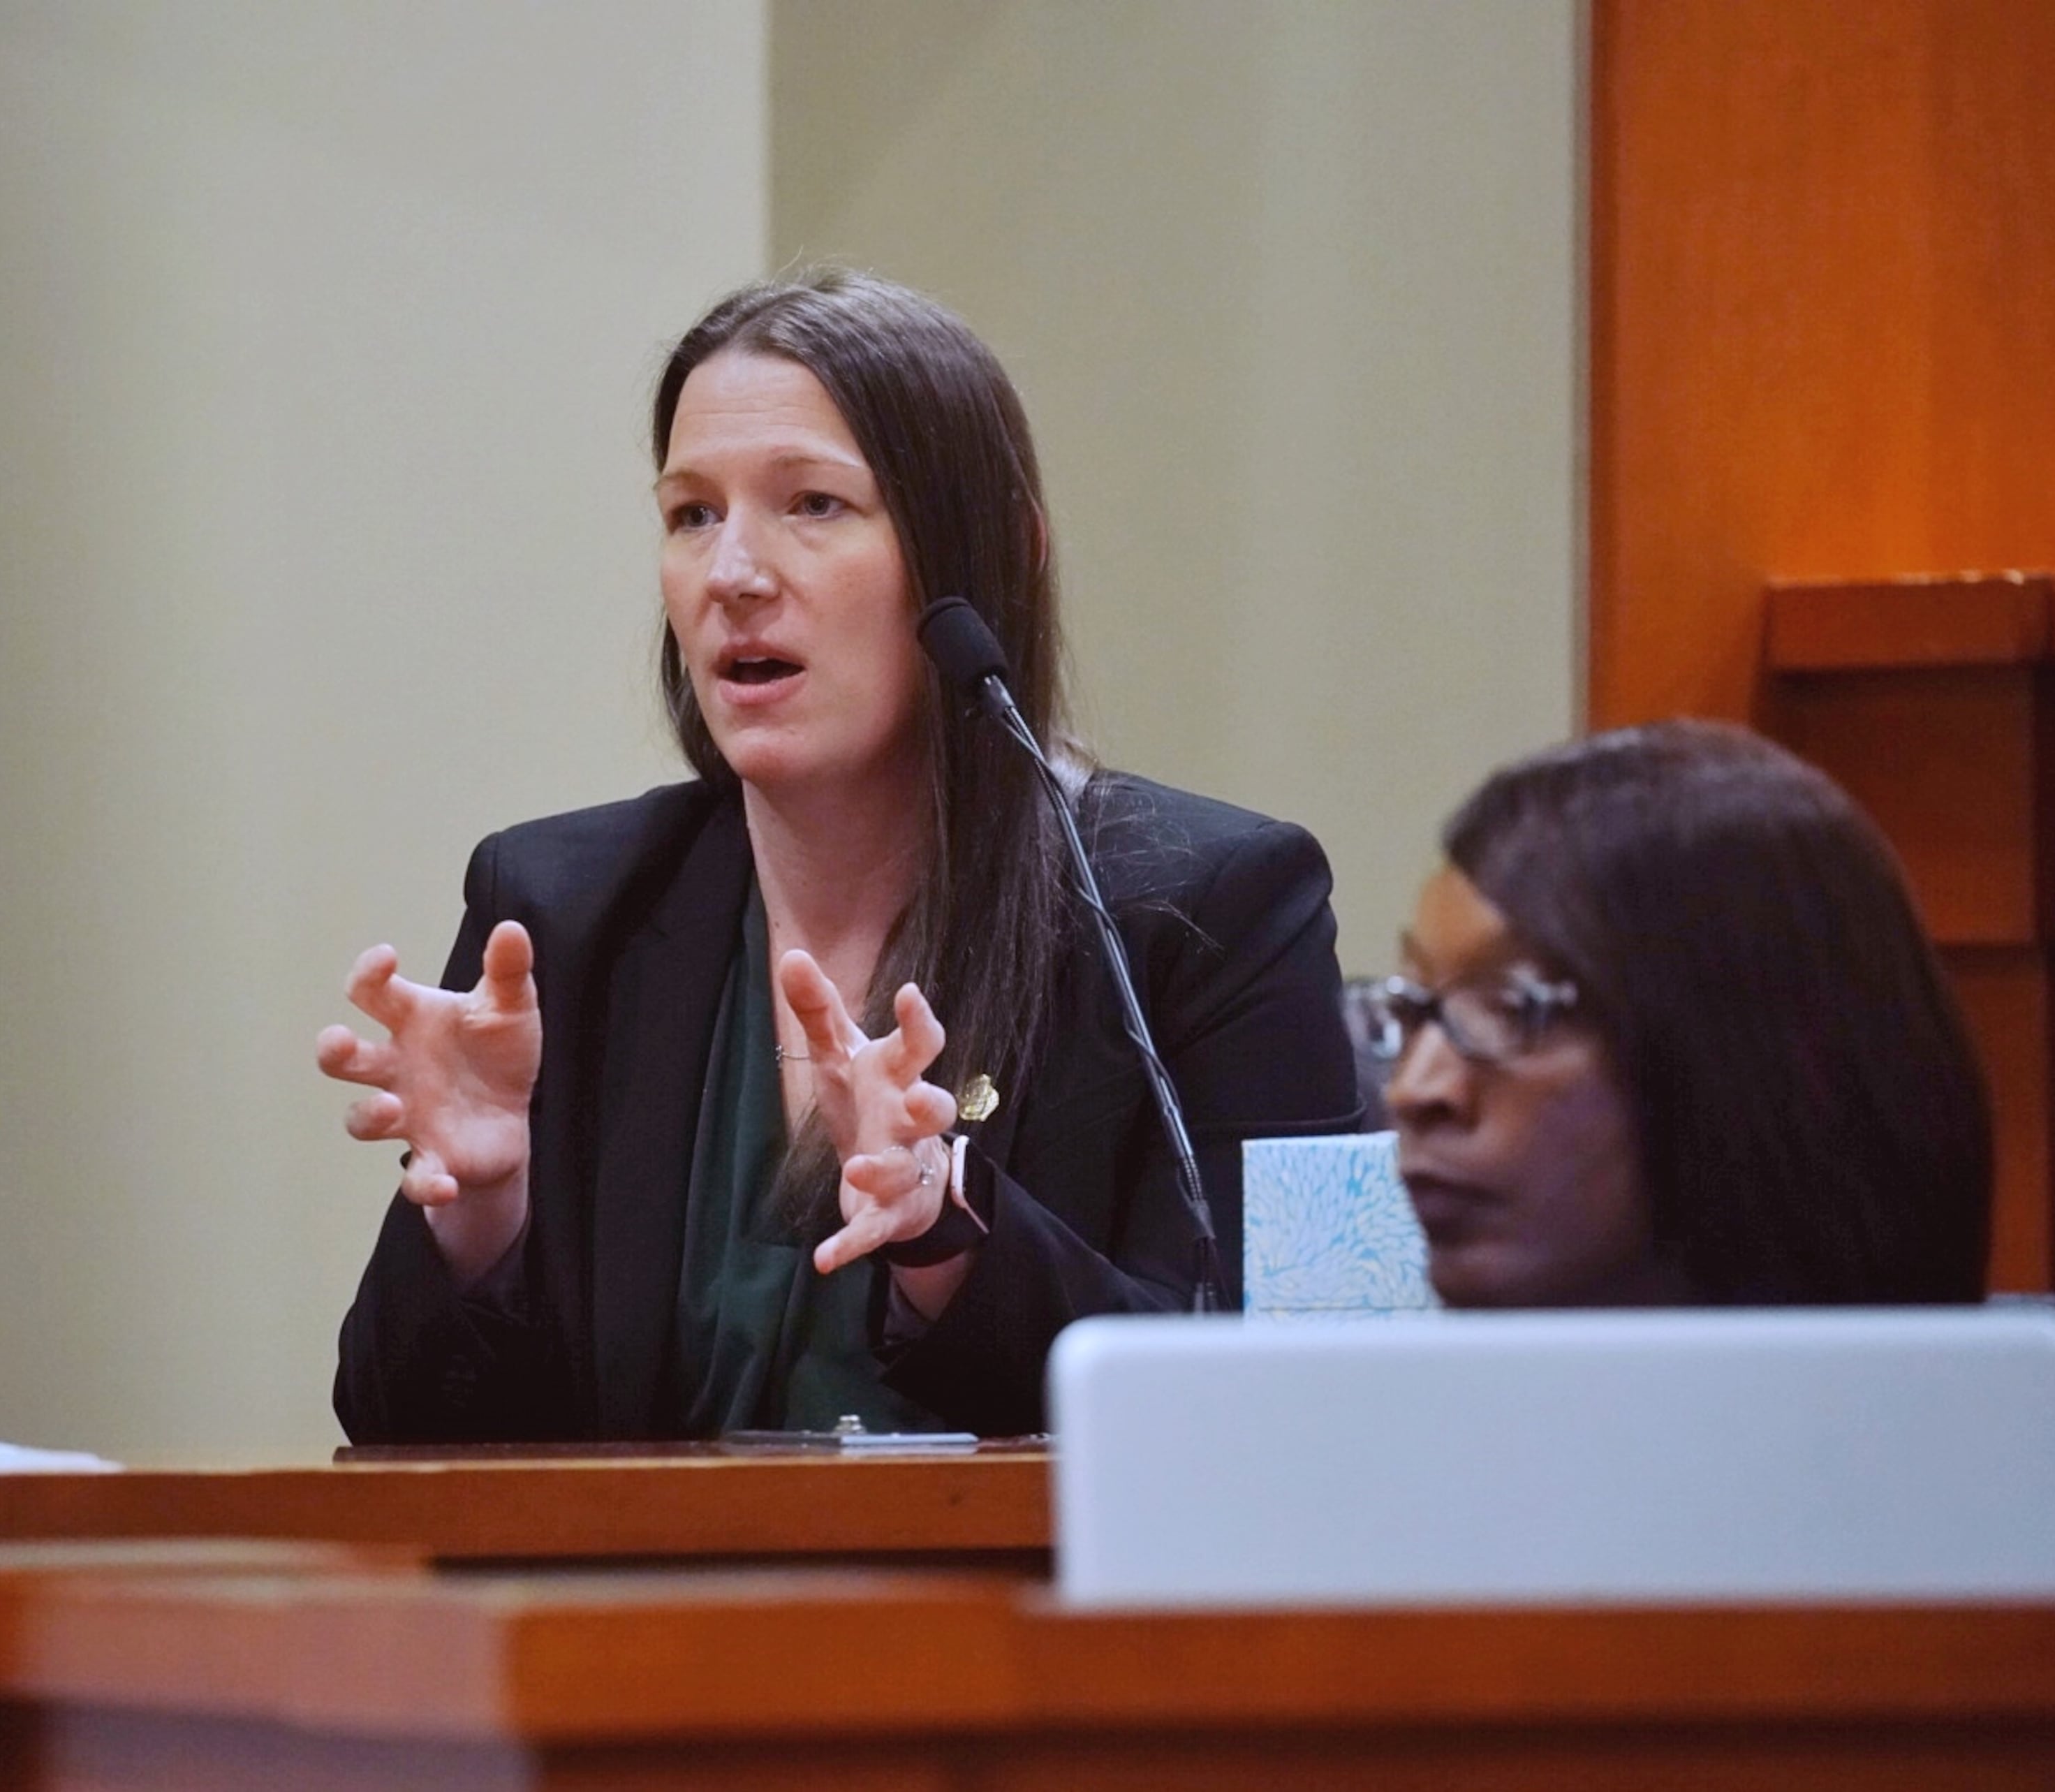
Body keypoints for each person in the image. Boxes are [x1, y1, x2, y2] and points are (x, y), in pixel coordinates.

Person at [324, 271, 1361, 1442]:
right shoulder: (559, 912)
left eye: (813, 504)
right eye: (691, 514)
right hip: (644, 1628)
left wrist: (949, 1232)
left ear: (991, 556)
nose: (734, 575)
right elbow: (395, 1434)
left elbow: (1296, 1410)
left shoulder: (1220, 909)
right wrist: (483, 1215)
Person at [1357, 719, 2055, 1575]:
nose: (1418, 1089)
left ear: (1747, 1054)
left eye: (1513, 1007)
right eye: (1413, 1009)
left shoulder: (2054, 1497)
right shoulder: (1367, 1477)